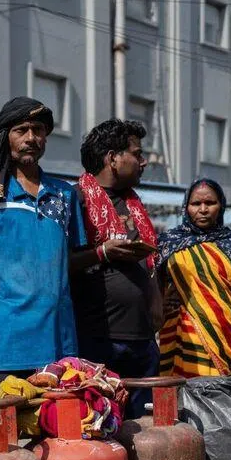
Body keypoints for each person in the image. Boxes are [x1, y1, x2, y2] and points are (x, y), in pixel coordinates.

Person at [0, 97, 87, 392]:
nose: (31, 138)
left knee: (57, 434)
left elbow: (73, 263)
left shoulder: (65, 196)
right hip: (6, 343)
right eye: (21, 130)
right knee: (5, 433)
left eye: (38, 130)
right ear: (6, 136)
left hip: (59, 342)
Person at [69, 118, 161, 416]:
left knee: (146, 429)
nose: (142, 161)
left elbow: (150, 261)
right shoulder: (76, 200)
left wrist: (156, 299)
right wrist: (103, 252)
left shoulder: (134, 204)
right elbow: (60, 264)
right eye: (136, 153)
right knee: (102, 426)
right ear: (112, 158)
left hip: (142, 341)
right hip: (97, 341)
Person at [157, 178, 231, 377]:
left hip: (225, 338)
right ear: (186, 207)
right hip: (179, 337)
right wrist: (163, 302)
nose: (203, 209)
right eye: (196, 204)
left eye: (210, 203)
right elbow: (155, 289)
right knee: (179, 401)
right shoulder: (167, 243)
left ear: (221, 206)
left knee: (219, 402)